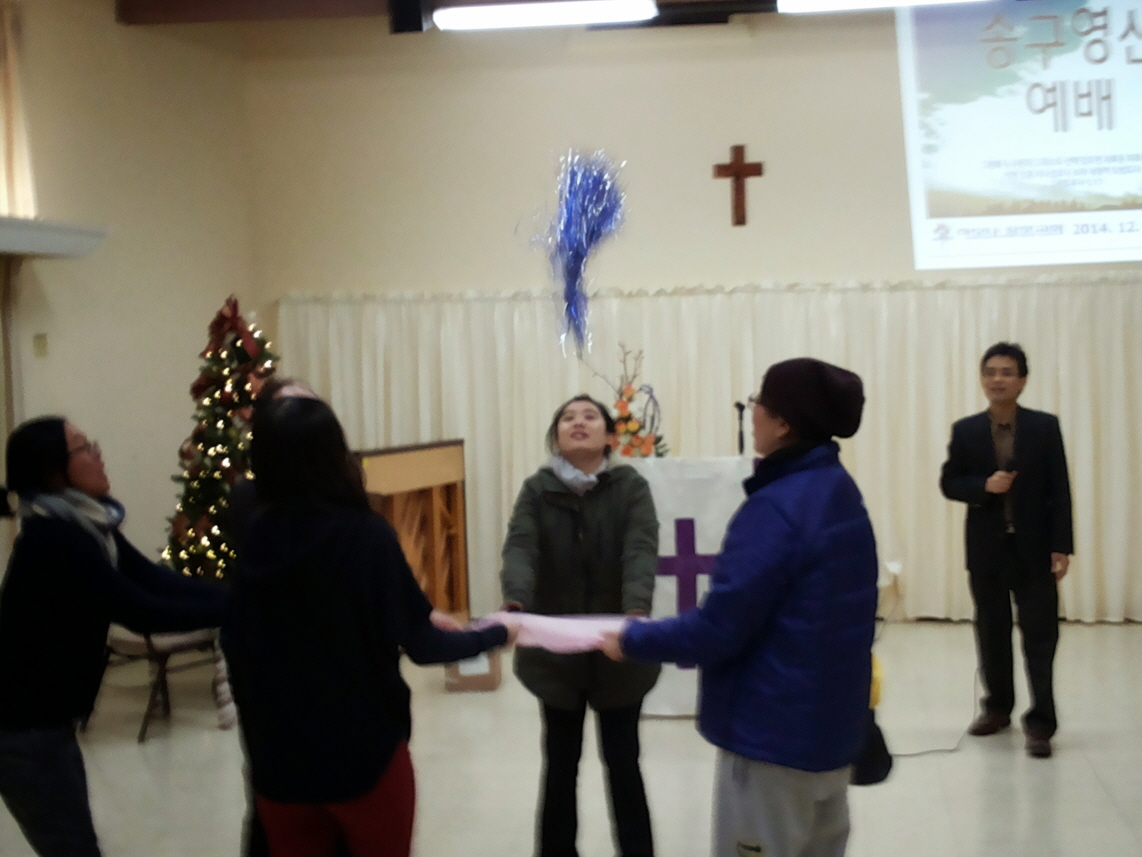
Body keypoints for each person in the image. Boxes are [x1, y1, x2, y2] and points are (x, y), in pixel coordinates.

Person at [600, 358, 879, 857]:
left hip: (773, 739)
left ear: (783, 423)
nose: (753, 413)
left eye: (759, 403)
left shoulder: (778, 508)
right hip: (831, 733)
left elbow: (719, 629)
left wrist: (632, 638)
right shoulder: (838, 489)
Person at [221, 396, 516, 857]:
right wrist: (497, 633)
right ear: (335, 454)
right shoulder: (364, 534)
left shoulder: (258, 535)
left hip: (279, 762)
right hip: (362, 756)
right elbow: (422, 645)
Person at [0, 416, 228, 857]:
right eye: (84, 448)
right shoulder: (55, 538)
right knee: (73, 847)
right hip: (24, 733)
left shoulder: (85, 523)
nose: (98, 454)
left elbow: (152, 580)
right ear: (54, 473)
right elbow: (141, 610)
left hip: (46, 725)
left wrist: (239, 596)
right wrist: (243, 607)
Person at [501, 394, 661, 857]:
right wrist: (515, 602)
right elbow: (521, 547)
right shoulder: (537, 489)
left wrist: (635, 613)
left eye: (590, 416)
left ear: (609, 436)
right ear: (556, 436)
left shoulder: (630, 487)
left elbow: (640, 550)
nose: (578, 422)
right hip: (556, 656)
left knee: (624, 764)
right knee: (560, 765)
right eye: (568, 417)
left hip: (619, 649)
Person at [940, 342, 1072, 759]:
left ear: (1023, 380)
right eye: (990, 372)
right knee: (991, 632)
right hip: (987, 551)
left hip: (1035, 549)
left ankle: (1041, 723)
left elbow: (1060, 488)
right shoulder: (965, 430)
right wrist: (983, 486)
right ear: (982, 379)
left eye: (1007, 372)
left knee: (1040, 637)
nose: (997, 379)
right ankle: (997, 708)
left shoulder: (1044, 427)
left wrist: (1062, 546)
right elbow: (949, 482)